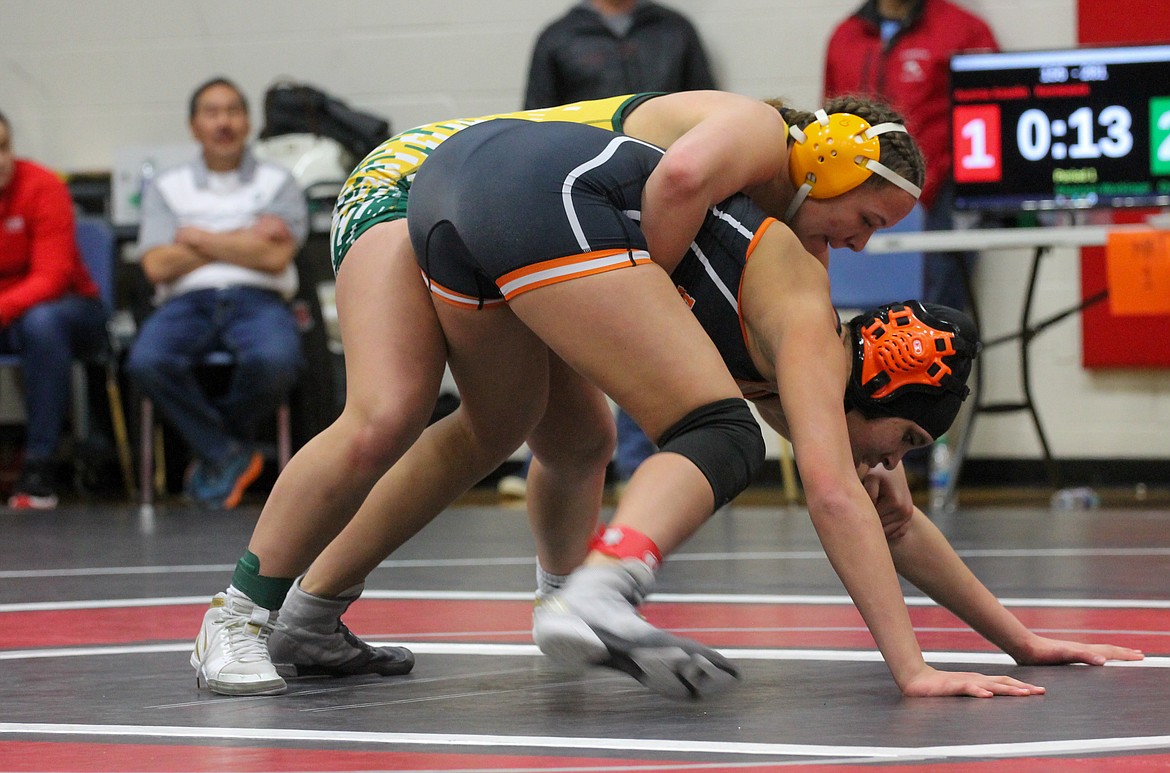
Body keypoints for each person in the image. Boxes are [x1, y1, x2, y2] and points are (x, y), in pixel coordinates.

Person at [191, 111, 1142, 699]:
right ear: (882, 385)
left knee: (528, 426)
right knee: (712, 431)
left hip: (475, 187)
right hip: (493, 178)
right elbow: (835, 497)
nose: (888, 463)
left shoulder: (788, 317)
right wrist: (913, 668)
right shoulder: (786, 249)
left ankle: (313, 611)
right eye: (896, 443)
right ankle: (593, 589)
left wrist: (1015, 638)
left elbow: (871, 504)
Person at [499, 0, 719, 501]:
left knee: (656, 321)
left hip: (658, 189)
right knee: (572, 323)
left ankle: (642, 460)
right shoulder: (559, 36)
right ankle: (549, 454)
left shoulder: (675, 29)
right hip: (576, 192)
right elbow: (533, 121)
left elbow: (703, 109)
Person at [125, 78, 307, 510]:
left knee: (277, 360)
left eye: (232, 111)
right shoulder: (168, 187)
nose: (223, 122)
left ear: (247, 122)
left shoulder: (279, 181)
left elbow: (275, 258)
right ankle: (229, 453)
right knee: (146, 360)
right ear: (193, 126)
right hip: (185, 302)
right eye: (211, 112)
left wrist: (195, 239)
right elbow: (156, 266)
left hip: (259, 299)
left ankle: (218, 453)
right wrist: (245, 235)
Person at [823, 0, 999, 313]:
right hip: (859, 198)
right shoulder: (846, 36)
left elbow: (990, 121)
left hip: (939, 203)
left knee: (939, 324)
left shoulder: (965, 31)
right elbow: (829, 122)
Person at [0, 110, 112, 510]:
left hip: (71, 308)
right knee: (32, 323)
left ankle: (40, 467)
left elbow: (51, 277)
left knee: (41, 324)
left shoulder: (42, 186)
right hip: (11, 314)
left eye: (3, 147)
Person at [524, 0, 715, 111]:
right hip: (589, 170)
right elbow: (537, 121)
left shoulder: (675, 28)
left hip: (668, 162)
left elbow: (707, 106)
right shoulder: (558, 37)